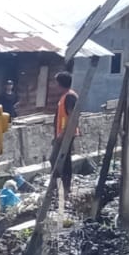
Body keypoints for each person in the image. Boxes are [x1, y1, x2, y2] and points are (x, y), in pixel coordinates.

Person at [50, 71, 80, 199]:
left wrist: (63, 133)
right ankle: (60, 187)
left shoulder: (69, 97)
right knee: (60, 160)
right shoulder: (65, 96)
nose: (55, 85)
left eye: (56, 83)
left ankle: (63, 188)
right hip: (63, 134)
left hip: (66, 135)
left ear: (60, 84)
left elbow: (73, 117)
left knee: (59, 160)